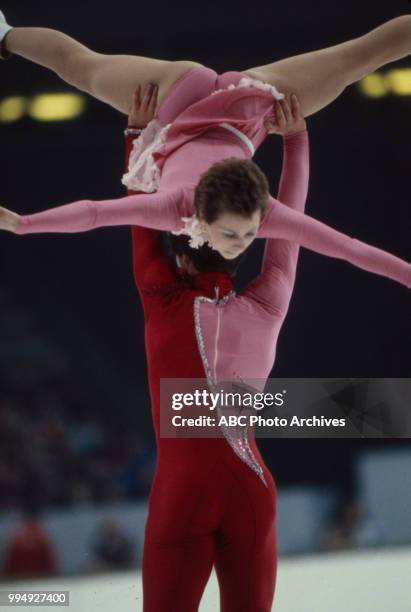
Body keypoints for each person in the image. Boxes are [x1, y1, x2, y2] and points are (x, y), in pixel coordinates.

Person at [0, 9, 410, 274]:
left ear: (202, 215)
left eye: (233, 236)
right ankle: (4, 32)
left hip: (186, 100)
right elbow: (350, 249)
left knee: (80, 67)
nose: (243, 244)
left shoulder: (173, 207)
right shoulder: (265, 213)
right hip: (244, 108)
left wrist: (25, 224)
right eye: (246, 235)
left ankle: (4, 32)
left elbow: (93, 214)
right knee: (360, 57)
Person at [123, 84, 308, 610]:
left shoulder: (161, 297)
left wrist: (137, 140)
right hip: (250, 490)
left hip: (181, 496)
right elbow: (289, 232)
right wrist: (296, 142)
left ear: (180, 258)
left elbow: (140, 226)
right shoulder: (268, 303)